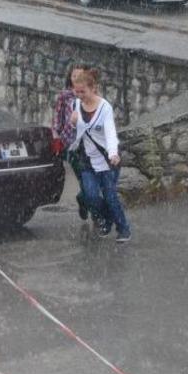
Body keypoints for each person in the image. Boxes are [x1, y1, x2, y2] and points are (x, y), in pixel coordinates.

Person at [70, 68, 132, 243]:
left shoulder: (105, 108)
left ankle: (123, 228)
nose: (80, 95)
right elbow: (80, 132)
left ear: (93, 88)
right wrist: (74, 123)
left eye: (83, 91)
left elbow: (110, 132)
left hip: (107, 159)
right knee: (90, 196)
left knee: (110, 197)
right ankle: (108, 218)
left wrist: (113, 153)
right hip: (88, 160)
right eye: (77, 91)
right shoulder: (76, 105)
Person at [51, 63, 92, 222]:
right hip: (71, 144)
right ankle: (87, 203)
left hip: (89, 143)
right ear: (70, 78)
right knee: (83, 178)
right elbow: (57, 118)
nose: (77, 79)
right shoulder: (65, 96)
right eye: (74, 76)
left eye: (80, 76)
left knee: (92, 179)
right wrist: (57, 137)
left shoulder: (91, 95)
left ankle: (85, 200)